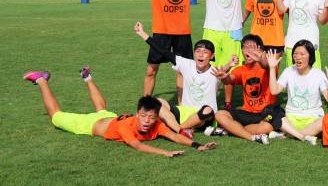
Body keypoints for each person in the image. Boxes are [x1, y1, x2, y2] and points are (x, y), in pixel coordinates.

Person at [22, 69, 216, 156]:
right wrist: (165, 153)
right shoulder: (126, 126)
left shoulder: (157, 124)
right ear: (137, 113)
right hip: (89, 125)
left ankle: (88, 78)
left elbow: (175, 136)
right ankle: (42, 80)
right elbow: (137, 146)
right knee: (56, 117)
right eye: (143, 116)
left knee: (102, 109)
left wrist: (196, 145)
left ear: (157, 116)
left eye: (151, 117)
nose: (147, 121)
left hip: (108, 118)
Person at [114, 0, 203, 103]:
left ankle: (182, 105)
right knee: (151, 70)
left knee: (182, 71)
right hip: (161, 32)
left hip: (183, 32)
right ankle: (146, 103)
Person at [133, 21, 237, 138]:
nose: (201, 55)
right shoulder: (187, 64)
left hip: (204, 117)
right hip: (184, 113)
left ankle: (177, 128)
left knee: (207, 110)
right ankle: (185, 128)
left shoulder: (215, 71)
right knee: (158, 102)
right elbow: (162, 50)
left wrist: (230, 65)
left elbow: (225, 75)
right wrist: (142, 33)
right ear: (193, 54)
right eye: (198, 51)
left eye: (205, 52)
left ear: (212, 56)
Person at [196, 0, 258, 111]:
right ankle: (208, 101)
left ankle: (228, 104)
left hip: (233, 30)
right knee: (210, 67)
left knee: (230, 68)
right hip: (212, 29)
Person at [211, 34, 284, 145]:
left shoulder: (270, 65)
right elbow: (229, 79)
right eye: (245, 47)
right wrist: (224, 76)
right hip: (247, 112)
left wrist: (261, 60)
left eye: (251, 47)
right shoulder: (241, 69)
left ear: (260, 49)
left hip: (266, 111)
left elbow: (266, 65)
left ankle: (230, 130)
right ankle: (251, 137)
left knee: (267, 127)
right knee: (220, 115)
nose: (247, 51)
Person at [267, 40, 328, 145]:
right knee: (275, 114)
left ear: (310, 56)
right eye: (295, 54)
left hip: (313, 118)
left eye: (302, 54)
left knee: (326, 121)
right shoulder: (289, 71)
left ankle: (287, 134)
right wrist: (271, 68)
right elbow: (274, 91)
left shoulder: (318, 74)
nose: (298, 57)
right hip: (291, 118)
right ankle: (303, 136)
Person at [275, 0, 328, 69]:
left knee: (313, 77)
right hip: (292, 42)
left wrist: (326, 6)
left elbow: (323, 21)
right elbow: (281, 10)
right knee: (293, 77)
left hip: (311, 42)